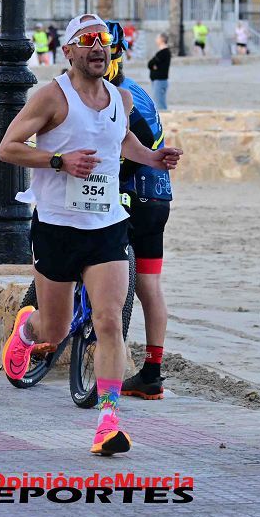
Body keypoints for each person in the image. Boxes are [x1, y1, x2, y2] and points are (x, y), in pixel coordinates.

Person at [0, 13, 182, 456]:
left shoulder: (121, 98)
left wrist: (154, 159)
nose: (97, 46)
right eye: (87, 40)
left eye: (103, 40)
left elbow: (120, 143)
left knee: (107, 320)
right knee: (54, 330)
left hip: (107, 225)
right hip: (57, 227)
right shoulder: (51, 97)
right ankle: (27, 331)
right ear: (70, 51)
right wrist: (59, 161)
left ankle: (108, 421)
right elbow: (8, 147)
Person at [104, 20, 174, 400]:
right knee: (150, 284)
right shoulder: (138, 91)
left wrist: (113, 178)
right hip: (160, 197)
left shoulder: (120, 94)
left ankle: (104, 353)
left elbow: (139, 144)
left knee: (102, 264)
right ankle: (152, 371)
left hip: (133, 194)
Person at [147, 32, 171, 111]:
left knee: (159, 104)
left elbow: (151, 63)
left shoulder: (163, 52)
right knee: (158, 102)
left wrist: (154, 66)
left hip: (160, 81)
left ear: (161, 40)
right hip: (157, 80)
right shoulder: (161, 52)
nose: (156, 40)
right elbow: (151, 65)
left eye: (157, 38)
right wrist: (154, 66)